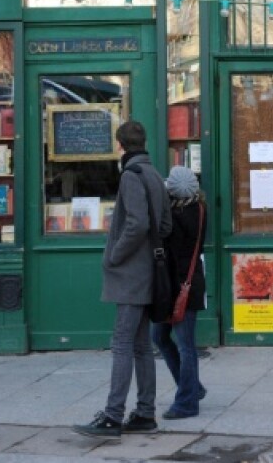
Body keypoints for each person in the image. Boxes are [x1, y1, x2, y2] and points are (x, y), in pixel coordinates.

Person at [74, 121, 172, 438]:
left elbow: (137, 223)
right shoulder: (155, 174)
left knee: (121, 344)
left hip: (131, 275)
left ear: (120, 145)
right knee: (142, 347)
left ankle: (113, 416)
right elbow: (165, 225)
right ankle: (144, 413)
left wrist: (115, 254)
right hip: (149, 273)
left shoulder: (131, 175)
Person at [151, 166, 208, 419]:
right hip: (191, 283)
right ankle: (192, 387)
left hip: (178, 287)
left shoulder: (175, 217)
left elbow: (166, 249)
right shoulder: (199, 209)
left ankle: (187, 402)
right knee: (162, 337)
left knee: (183, 345)